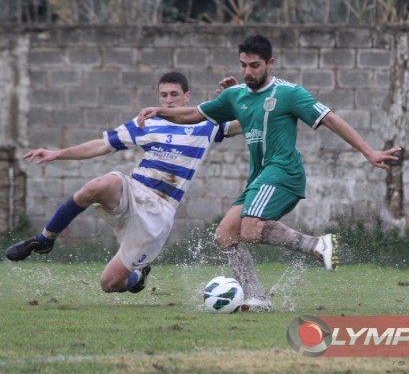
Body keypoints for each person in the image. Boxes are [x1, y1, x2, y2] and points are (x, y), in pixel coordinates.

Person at [138, 34, 402, 311]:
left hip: (283, 172)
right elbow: (196, 114)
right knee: (226, 234)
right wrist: (160, 111)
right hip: (259, 178)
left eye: (254, 65)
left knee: (250, 229)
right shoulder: (235, 95)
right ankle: (256, 296)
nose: (248, 72)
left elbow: (330, 119)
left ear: (270, 63)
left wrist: (369, 151)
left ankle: (316, 244)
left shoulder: (289, 93)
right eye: (243, 65)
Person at [5, 71, 241, 294]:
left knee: (109, 284)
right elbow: (101, 144)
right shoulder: (146, 123)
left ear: (187, 96)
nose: (168, 100)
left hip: (158, 211)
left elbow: (247, 121)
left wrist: (239, 96)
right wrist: (58, 153)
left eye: (174, 95)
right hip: (133, 189)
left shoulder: (207, 124)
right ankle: (45, 239)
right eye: (163, 95)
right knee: (95, 186)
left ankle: (138, 276)